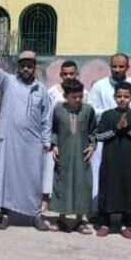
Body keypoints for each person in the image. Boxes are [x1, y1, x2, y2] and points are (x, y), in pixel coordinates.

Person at [0, 43, 53, 231]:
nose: (26, 69)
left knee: (33, 179)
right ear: (18, 67)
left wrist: (46, 141)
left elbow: (46, 118)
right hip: (9, 140)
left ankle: (35, 215)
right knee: (6, 178)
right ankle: (4, 214)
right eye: (23, 65)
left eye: (29, 66)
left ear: (34, 68)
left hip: (33, 143)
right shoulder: (8, 81)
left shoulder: (41, 89)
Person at [87, 54, 131, 212]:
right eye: (114, 66)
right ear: (110, 66)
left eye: (121, 66)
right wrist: (113, 116)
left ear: (128, 67)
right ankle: (99, 211)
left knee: (128, 177)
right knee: (103, 174)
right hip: (106, 136)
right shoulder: (99, 86)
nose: (117, 69)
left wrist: (127, 119)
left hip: (130, 139)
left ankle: (129, 213)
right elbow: (92, 109)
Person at [95, 81, 131, 239]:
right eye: (119, 96)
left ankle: (126, 223)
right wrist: (116, 129)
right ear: (114, 97)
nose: (122, 99)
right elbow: (99, 136)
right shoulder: (108, 115)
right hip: (110, 159)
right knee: (108, 187)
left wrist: (128, 129)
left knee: (129, 188)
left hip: (130, 160)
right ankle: (105, 223)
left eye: (126, 97)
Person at [49, 79, 97, 233]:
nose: (77, 100)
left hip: (82, 156)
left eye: (80, 96)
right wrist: (54, 144)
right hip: (64, 154)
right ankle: (61, 218)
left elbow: (93, 131)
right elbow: (54, 129)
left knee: (82, 185)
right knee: (62, 183)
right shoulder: (58, 109)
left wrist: (92, 146)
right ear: (65, 96)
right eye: (74, 97)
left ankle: (79, 220)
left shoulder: (88, 110)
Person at [44, 60, 79, 204]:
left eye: (71, 73)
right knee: (49, 168)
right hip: (55, 134)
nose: (68, 76)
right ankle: (45, 199)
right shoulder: (52, 92)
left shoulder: (83, 92)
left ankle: (68, 200)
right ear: (60, 75)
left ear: (77, 74)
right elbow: (47, 115)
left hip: (73, 136)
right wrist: (50, 139)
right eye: (65, 74)